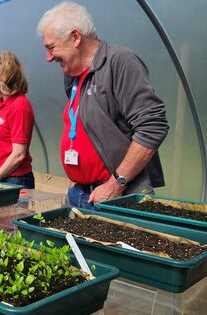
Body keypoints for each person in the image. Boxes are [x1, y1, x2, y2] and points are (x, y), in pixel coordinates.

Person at [37, 1, 169, 210]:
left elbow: (153, 125)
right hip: (81, 193)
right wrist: (77, 177)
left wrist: (116, 183)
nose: (48, 57)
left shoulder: (120, 62)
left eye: (51, 47)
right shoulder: (71, 75)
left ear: (75, 37)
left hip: (116, 199)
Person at [0, 50, 35, 189]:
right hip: (2, 176)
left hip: (14, 179)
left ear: (3, 75)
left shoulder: (20, 105)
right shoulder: (1, 103)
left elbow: (19, 154)